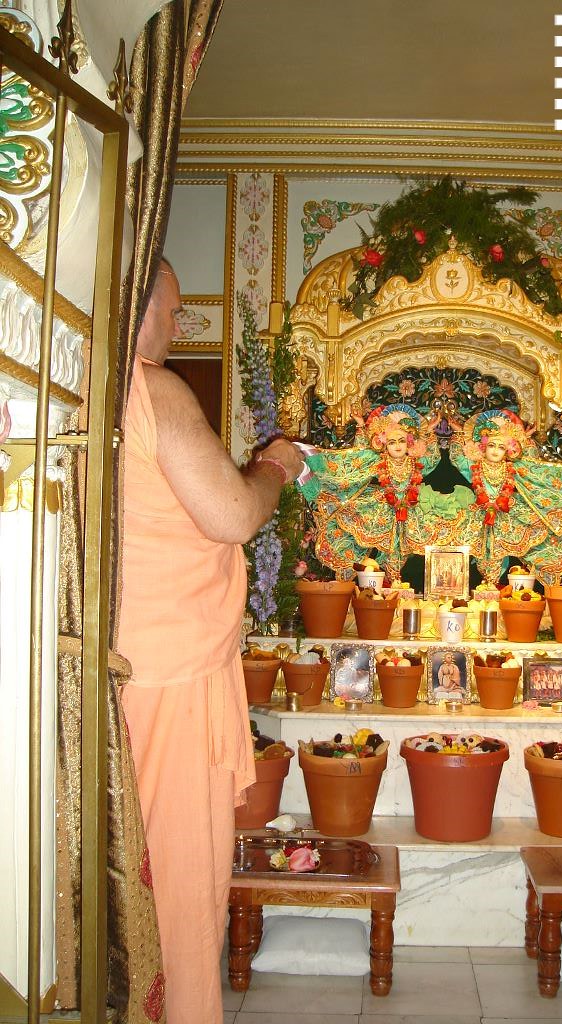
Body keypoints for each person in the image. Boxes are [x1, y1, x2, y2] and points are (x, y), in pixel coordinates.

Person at [118, 259, 303, 1024]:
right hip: (171, 679)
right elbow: (231, 515)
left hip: (118, 668)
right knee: (183, 888)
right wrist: (274, 466)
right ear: (138, 308)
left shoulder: (85, 391)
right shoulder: (151, 388)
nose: (179, 324)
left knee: (126, 877)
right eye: (172, 309)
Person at [453, 409, 562, 585]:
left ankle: (494, 585)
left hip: (507, 514)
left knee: (505, 550)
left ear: (508, 451)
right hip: (480, 516)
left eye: (501, 447)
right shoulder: (475, 467)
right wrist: (459, 434)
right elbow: (457, 458)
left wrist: (524, 440)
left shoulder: (512, 468)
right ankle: (488, 584)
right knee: (483, 552)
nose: (496, 451)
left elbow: (531, 461)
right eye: (492, 445)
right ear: (482, 447)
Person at [300, 404, 442, 579]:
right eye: (392, 442)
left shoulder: (415, 463)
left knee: (402, 549)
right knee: (376, 545)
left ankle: (394, 580)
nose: (397, 446)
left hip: (410, 510)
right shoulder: (378, 461)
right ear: (384, 444)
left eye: (402, 441)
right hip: (381, 509)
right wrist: (361, 425)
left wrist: (429, 431)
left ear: (410, 443)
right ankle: (379, 580)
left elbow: (432, 459)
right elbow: (357, 461)